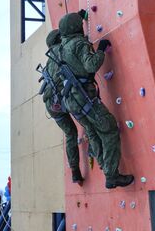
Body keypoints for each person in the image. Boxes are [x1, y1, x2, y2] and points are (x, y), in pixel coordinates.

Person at [58, 11, 134, 189]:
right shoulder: (79, 44)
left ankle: (105, 167)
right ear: (77, 26)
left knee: (93, 132)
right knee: (109, 129)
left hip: (72, 101)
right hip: (84, 98)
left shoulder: (61, 48)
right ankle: (111, 174)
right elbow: (91, 65)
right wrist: (100, 50)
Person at [41, 29, 85, 185]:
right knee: (88, 121)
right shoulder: (62, 50)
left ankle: (75, 171)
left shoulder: (48, 60)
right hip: (65, 98)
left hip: (52, 106)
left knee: (71, 134)